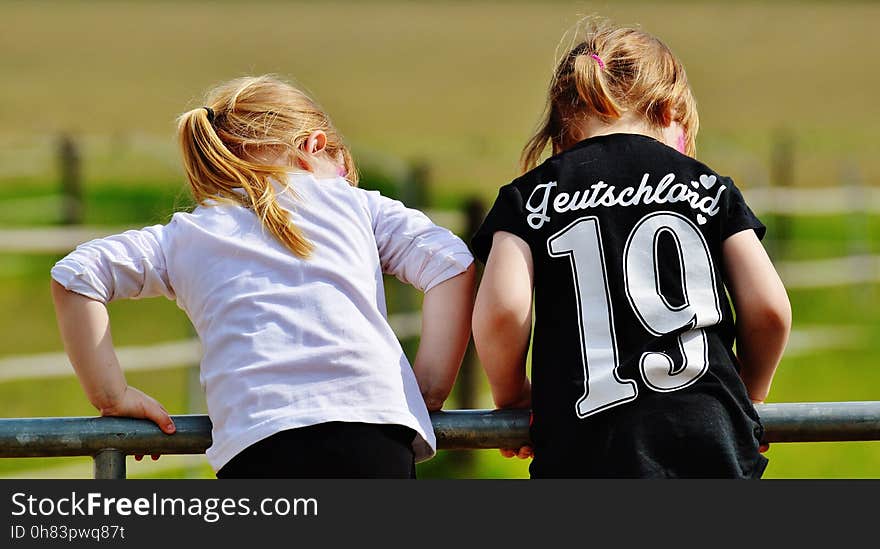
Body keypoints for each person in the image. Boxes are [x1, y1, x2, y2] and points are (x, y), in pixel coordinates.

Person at [51, 75, 475, 478]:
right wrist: (429, 388)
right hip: (372, 430)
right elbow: (450, 262)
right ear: (314, 145)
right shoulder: (357, 206)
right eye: (343, 169)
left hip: (256, 441)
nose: (345, 181)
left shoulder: (187, 234)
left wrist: (112, 396)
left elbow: (76, 275)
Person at [471, 19, 790, 478]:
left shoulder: (531, 196)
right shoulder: (709, 188)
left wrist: (511, 395)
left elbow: (503, 310)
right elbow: (770, 309)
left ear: (561, 128)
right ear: (670, 112)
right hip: (709, 440)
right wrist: (750, 396)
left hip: (585, 451)